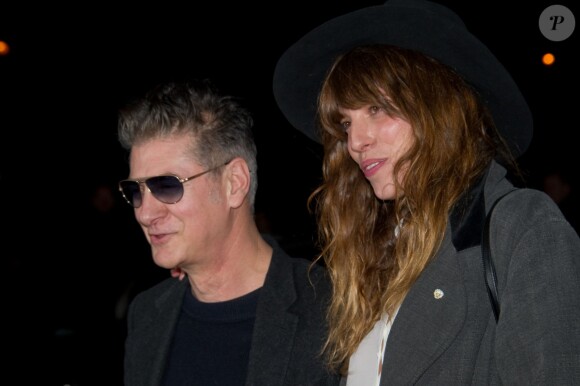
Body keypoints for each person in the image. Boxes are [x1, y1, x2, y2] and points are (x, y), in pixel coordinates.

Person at [272, 0, 580, 384]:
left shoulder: (521, 228)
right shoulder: (375, 252)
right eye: (345, 123)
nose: (355, 141)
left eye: (376, 109)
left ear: (437, 107)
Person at [117, 79, 340, 386]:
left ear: (234, 183)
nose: (144, 212)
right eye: (136, 191)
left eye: (166, 186)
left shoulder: (331, 310)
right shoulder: (147, 315)